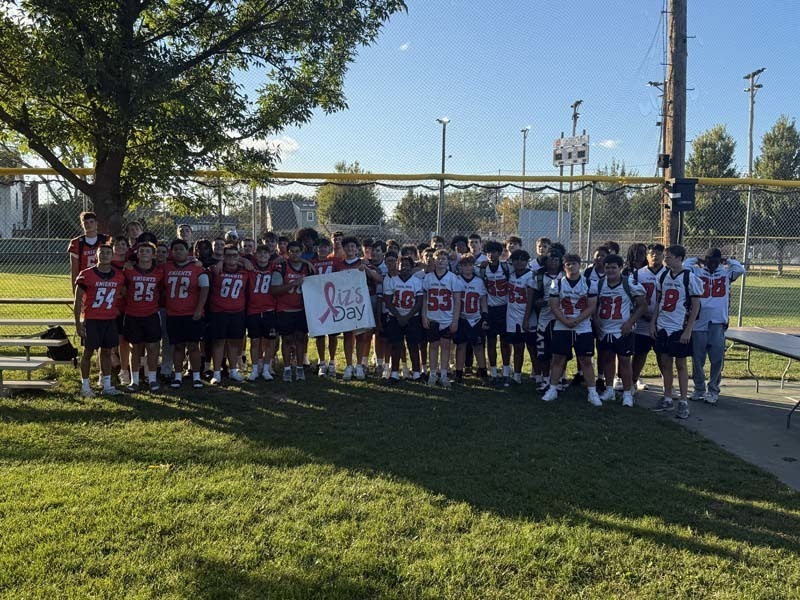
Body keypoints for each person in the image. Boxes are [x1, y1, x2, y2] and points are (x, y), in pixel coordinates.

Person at [650, 244, 703, 419]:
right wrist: (653, 322)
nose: (666, 259)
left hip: (679, 326)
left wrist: (688, 330)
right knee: (665, 363)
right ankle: (667, 397)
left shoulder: (689, 277)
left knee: (680, 364)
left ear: (680, 259)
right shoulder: (663, 275)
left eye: (669, 256)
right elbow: (659, 301)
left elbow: (695, 305)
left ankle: (683, 401)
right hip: (663, 325)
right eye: (665, 256)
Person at [685, 248, 745, 404]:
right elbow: (685, 265)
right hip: (699, 321)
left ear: (719, 261)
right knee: (698, 359)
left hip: (717, 321)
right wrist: (697, 259)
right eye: (708, 260)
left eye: (714, 261)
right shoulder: (698, 272)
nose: (711, 264)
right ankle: (699, 389)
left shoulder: (726, 274)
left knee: (717, 358)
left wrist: (727, 260)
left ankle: (713, 390)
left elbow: (740, 269)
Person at [543, 254, 601, 406]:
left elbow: (592, 306)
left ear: (579, 265)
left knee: (586, 360)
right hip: (562, 326)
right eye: (568, 264)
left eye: (574, 263)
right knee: (558, 358)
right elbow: (554, 306)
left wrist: (576, 320)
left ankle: (592, 392)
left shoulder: (589, 283)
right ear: (564, 266)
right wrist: (566, 321)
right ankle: (553, 388)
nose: (571, 266)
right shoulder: (557, 283)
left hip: (583, 327)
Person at [73, 244, 125, 397]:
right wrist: (78, 323)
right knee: (88, 352)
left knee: (107, 352)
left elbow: (123, 293)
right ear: (96, 255)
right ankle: (85, 386)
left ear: (112, 255)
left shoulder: (118, 275)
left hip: (109, 319)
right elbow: (77, 301)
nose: (105, 255)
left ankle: (107, 385)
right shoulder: (86, 274)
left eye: (109, 253)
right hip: (92, 319)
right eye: (102, 252)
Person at [595, 254, 646, 407]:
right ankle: (609, 389)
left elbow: (642, 305)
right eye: (607, 267)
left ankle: (627, 393)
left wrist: (630, 322)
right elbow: (593, 305)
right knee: (607, 359)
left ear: (620, 268)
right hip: (605, 329)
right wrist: (596, 321)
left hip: (622, 329)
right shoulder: (599, 284)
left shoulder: (629, 284)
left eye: (613, 267)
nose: (610, 270)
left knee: (624, 361)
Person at [163, 239, 209, 389]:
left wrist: (198, 309)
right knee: (178, 346)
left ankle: (196, 376)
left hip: (191, 313)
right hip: (174, 313)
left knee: (194, 346)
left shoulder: (196, 268)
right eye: (175, 249)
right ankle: (178, 376)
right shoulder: (166, 267)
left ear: (187, 250)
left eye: (181, 249)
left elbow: (204, 288)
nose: (178, 252)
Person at [122, 242, 164, 392]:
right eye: (142, 251)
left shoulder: (159, 271)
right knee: (136, 348)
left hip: (151, 314)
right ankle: (135, 381)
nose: (144, 253)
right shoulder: (129, 270)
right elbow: (122, 288)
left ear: (153, 255)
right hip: (133, 313)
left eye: (148, 251)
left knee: (152, 347)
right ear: (137, 254)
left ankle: (152, 379)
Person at [339, 237, 382, 380]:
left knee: (361, 336)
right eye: (347, 247)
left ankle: (359, 365)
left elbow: (378, 278)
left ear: (357, 249)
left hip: (361, 304)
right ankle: (348, 365)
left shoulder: (364, 263)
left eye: (353, 247)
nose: (350, 249)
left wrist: (367, 271)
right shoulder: (339, 265)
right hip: (346, 304)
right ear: (343, 249)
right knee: (347, 335)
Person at [270, 241, 314, 382]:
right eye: (292, 251)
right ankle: (287, 368)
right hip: (285, 309)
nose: (295, 254)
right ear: (287, 253)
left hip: (301, 309)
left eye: (298, 251)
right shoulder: (281, 268)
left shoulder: (307, 267)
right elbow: (274, 290)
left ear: (302, 252)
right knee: (287, 339)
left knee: (301, 339)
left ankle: (300, 368)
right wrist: (292, 284)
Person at [207, 244, 248, 385]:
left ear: (239, 257)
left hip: (237, 312)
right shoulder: (215, 270)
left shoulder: (245, 271)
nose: (231, 258)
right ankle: (216, 373)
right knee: (219, 342)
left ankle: (233, 371)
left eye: (234, 255)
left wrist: (244, 261)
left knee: (233, 343)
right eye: (228, 255)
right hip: (219, 312)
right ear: (223, 257)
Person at [422, 249, 462, 388]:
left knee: (446, 347)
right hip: (432, 317)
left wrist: (455, 320)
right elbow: (425, 299)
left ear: (448, 261)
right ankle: (433, 373)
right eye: (438, 258)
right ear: (434, 260)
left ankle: (444, 374)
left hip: (447, 318)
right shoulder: (428, 278)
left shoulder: (452, 278)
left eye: (444, 258)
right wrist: (424, 316)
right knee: (432, 346)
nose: (441, 261)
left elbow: (457, 301)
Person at [383, 255, 425, 383]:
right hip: (395, 317)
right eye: (402, 264)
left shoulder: (417, 281)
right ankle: (395, 373)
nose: (404, 267)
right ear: (398, 266)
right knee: (396, 345)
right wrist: (398, 316)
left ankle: (416, 373)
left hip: (412, 318)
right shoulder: (392, 280)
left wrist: (407, 316)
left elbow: (419, 302)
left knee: (413, 345)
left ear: (412, 267)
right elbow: (388, 301)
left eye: (407, 265)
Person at [632, 243, 666, 392]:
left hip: (663, 321)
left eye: (658, 253)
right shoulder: (638, 274)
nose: (654, 256)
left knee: (663, 355)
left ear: (663, 256)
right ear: (646, 256)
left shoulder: (669, 273)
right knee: (640, 353)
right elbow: (632, 297)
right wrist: (644, 314)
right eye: (651, 253)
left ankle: (668, 386)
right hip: (642, 320)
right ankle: (632, 382)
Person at [479, 241, 511, 385]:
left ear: (500, 253)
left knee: (505, 342)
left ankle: (505, 372)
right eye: (489, 252)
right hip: (490, 309)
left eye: (495, 252)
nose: (492, 255)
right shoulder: (481, 269)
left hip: (504, 309)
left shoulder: (506, 267)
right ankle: (493, 372)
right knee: (490, 342)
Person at [454, 255, 489, 383]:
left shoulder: (479, 281)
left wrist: (485, 318)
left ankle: (483, 372)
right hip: (461, 318)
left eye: (470, 265)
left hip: (475, 318)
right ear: (460, 267)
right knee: (460, 346)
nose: (467, 268)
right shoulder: (456, 279)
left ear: (473, 266)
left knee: (478, 346)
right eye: (464, 265)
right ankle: (458, 373)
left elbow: (483, 302)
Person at [246, 244, 278, 381]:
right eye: (260, 253)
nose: (263, 256)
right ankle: (254, 369)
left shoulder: (274, 267)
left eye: (266, 254)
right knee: (254, 341)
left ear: (270, 255)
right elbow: (239, 259)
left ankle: (266, 368)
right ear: (255, 254)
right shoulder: (250, 267)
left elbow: (286, 260)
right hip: (253, 309)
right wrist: (245, 261)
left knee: (270, 341)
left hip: (269, 309)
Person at [533, 250, 564, 392]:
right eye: (550, 259)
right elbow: (533, 297)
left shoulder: (565, 275)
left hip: (561, 319)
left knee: (560, 351)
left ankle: (560, 379)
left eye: (556, 259)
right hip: (544, 317)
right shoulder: (539, 275)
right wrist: (538, 302)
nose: (553, 262)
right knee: (543, 351)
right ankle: (546, 379)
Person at [504, 250, 535, 386]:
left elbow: (530, 300)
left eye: (522, 259)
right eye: (516, 259)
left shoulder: (530, 276)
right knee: (517, 347)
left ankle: (538, 376)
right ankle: (516, 375)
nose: (519, 262)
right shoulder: (510, 274)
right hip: (511, 316)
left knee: (531, 348)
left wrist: (526, 319)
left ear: (527, 261)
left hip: (525, 316)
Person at [68, 211, 110, 288]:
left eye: (91, 222)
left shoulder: (106, 240)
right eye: (86, 222)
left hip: (104, 280)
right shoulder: (76, 242)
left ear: (96, 223)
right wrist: (75, 288)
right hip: (85, 281)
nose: (89, 225)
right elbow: (74, 269)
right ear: (82, 225)